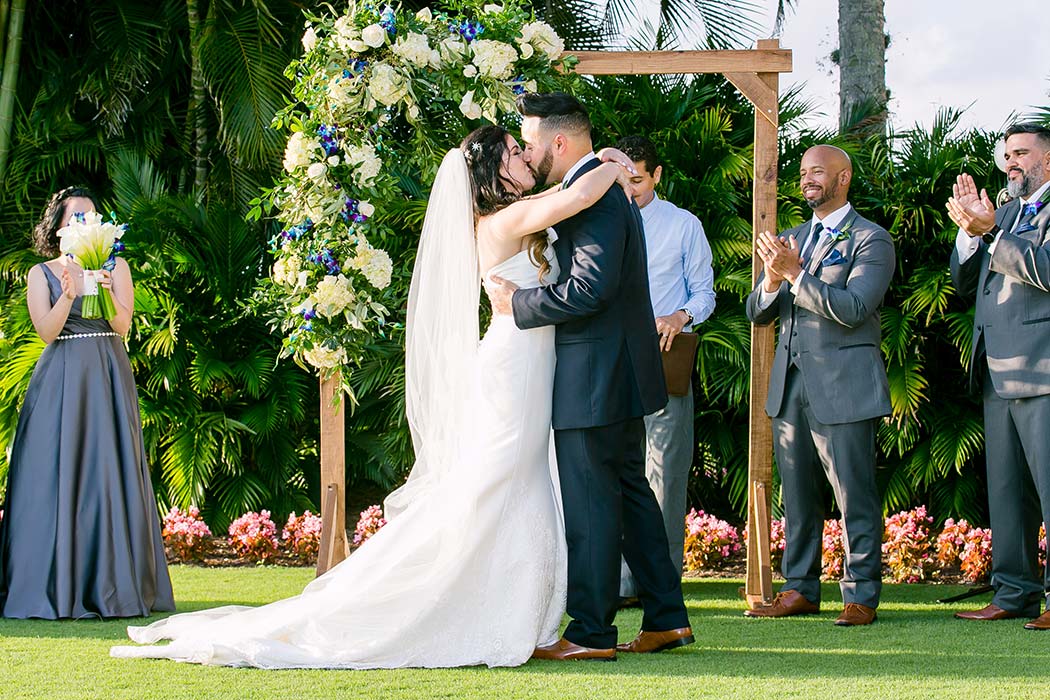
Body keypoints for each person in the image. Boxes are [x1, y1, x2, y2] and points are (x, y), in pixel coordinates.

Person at [111, 126, 637, 668]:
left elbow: (564, 192)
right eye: (512, 151)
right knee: (497, 480)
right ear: (494, 171)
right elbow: (574, 195)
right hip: (514, 368)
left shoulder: (514, 211)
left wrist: (600, 157)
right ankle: (453, 599)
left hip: (529, 362)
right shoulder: (501, 221)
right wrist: (614, 165)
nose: (524, 156)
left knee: (518, 478)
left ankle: (509, 602)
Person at [487, 93, 694, 661]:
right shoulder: (598, 184)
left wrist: (518, 304)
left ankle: (591, 632)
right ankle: (668, 619)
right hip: (614, 370)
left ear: (559, 141)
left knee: (591, 503)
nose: (529, 156)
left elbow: (591, 287)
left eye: (531, 144)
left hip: (593, 375)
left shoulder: (597, 196)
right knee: (630, 497)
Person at [0, 186, 174, 619]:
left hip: (108, 372)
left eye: (91, 216)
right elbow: (47, 332)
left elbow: (122, 324)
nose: (84, 223)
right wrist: (70, 293)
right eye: (75, 217)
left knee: (108, 471)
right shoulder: (40, 273)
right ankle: (54, 585)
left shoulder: (118, 265)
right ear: (58, 228)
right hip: (60, 377)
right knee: (56, 473)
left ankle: (114, 586)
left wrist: (109, 287)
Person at [744, 145, 893, 627]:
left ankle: (861, 594)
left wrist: (794, 274)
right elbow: (757, 313)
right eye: (803, 171)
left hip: (845, 387)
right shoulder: (790, 238)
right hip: (791, 388)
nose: (807, 179)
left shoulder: (871, 240)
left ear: (843, 178)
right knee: (799, 497)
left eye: (818, 172)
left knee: (854, 494)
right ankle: (801, 587)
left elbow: (853, 309)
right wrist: (770, 281)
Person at [946, 123, 1050, 630]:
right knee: (1007, 491)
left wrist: (991, 234)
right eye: (1006, 154)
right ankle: (1014, 592)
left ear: (1048, 162)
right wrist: (970, 235)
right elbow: (965, 284)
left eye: (1022, 154)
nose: (1011, 162)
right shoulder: (1003, 214)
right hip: (997, 370)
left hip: (1044, 369)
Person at [612, 135, 715, 604]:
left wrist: (680, 315)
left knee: (666, 475)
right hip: (610, 362)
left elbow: (705, 295)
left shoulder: (683, 225)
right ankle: (616, 582)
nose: (629, 189)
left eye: (637, 179)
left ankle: (662, 583)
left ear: (655, 176)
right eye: (622, 179)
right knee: (614, 470)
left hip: (663, 359)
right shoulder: (599, 217)